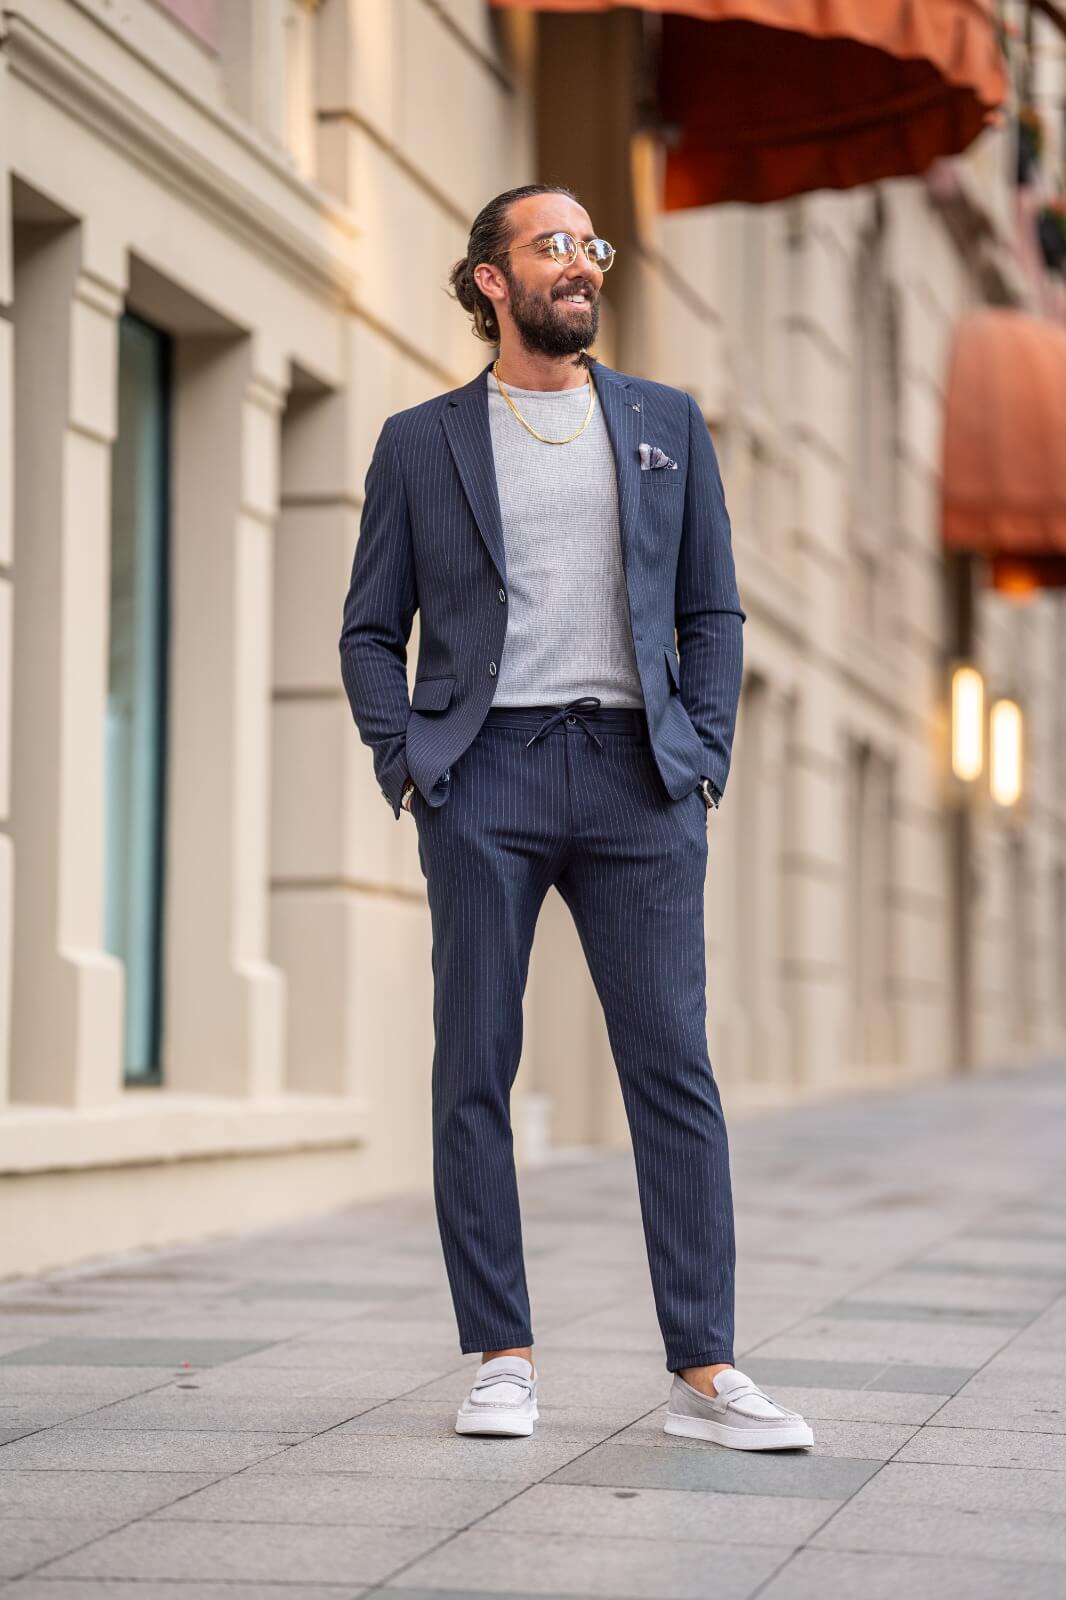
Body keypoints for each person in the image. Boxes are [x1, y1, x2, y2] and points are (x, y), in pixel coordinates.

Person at [339, 183, 813, 1452]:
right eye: (553, 246)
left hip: (635, 775)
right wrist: (410, 761)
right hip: (481, 773)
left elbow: (712, 610)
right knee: (473, 1068)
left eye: (591, 246)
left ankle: (705, 1370)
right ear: (490, 279)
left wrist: (702, 752)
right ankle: (501, 1354)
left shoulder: (664, 422)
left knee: (674, 1071)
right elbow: (370, 629)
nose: (581, 264)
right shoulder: (419, 441)